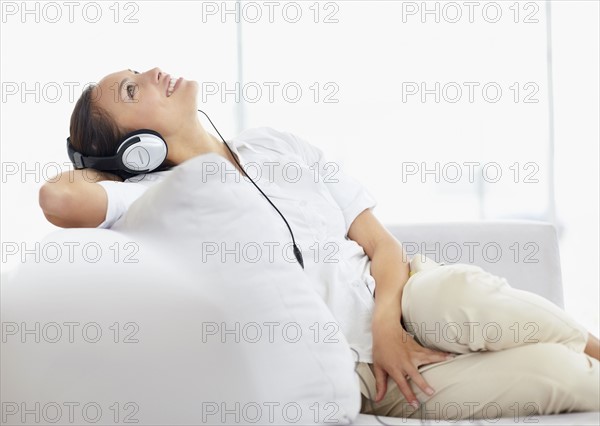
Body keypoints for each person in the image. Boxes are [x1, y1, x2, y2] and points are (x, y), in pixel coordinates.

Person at [40, 67, 600, 421]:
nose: (154, 71)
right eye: (131, 89)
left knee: (461, 300)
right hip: (361, 371)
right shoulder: (152, 196)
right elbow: (60, 200)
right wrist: (106, 166)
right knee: (564, 376)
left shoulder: (274, 144)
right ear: (134, 149)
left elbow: (381, 245)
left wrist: (386, 326)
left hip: (401, 293)